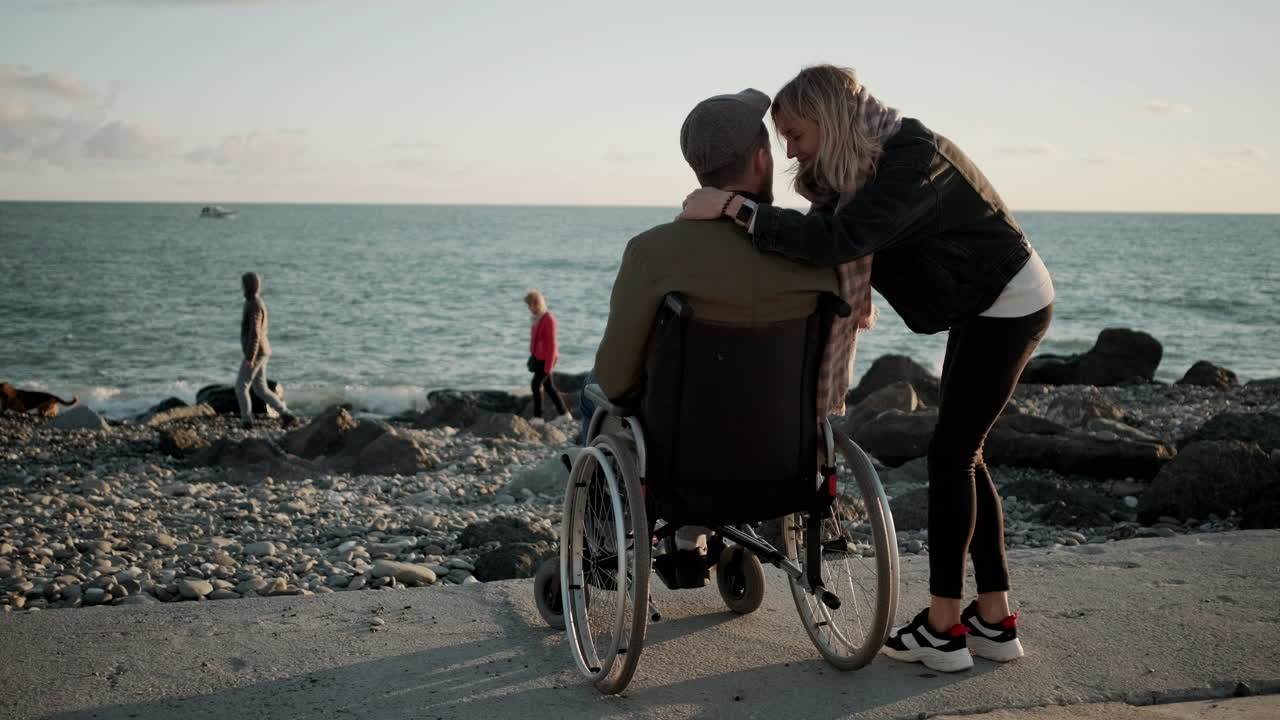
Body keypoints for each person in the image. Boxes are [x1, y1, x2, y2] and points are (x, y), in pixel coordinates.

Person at [679, 65, 1054, 673]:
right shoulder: (865, 162)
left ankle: (944, 629)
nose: (790, 152)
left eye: (796, 135)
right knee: (966, 455)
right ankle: (995, 618)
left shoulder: (912, 159)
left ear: (828, 120)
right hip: (984, 300)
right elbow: (824, 231)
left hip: (1008, 302)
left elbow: (840, 239)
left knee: (952, 458)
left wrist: (732, 205)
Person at [591, 88, 844, 554]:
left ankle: (604, 543)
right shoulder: (813, 249)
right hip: (785, 460)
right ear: (762, 160)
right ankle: (693, 536)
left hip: (683, 467)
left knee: (596, 392)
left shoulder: (652, 252)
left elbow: (616, 380)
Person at [236, 272, 297, 429]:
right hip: (262, 350)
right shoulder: (252, 302)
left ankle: (247, 421)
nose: (241, 286)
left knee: (241, 386)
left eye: (243, 284)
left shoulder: (254, 305)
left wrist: (250, 357)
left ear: (248, 286)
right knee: (260, 388)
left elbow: (255, 333)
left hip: (257, 352)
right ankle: (286, 414)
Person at [525, 290, 570, 421]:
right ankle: (564, 414)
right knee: (549, 387)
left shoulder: (548, 320)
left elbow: (552, 345)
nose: (528, 308)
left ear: (536, 304)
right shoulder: (536, 319)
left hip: (547, 359)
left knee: (535, 385)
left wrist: (548, 366)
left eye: (530, 305)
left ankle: (538, 417)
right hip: (539, 358)